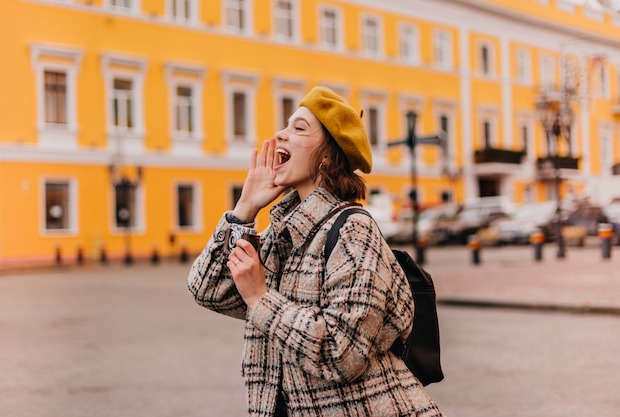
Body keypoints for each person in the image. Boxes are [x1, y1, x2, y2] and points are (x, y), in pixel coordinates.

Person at [188, 86, 444, 417]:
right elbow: (208, 290)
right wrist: (245, 209)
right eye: (286, 124)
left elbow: (344, 353)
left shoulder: (353, 230)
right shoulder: (285, 234)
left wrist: (260, 299)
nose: (280, 134)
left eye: (299, 128)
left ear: (327, 155)